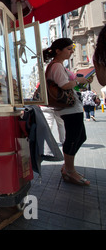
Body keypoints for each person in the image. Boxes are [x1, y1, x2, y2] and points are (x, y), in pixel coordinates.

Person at [43, 38, 91, 186]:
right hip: (68, 108)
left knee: (80, 136)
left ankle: (68, 167)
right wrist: (78, 82)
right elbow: (64, 85)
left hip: (70, 107)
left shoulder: (57, 66)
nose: (71, 51)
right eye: (69, 49)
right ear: (58, 51)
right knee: (73, 137)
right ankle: (69, 170)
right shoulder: (56, 66)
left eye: (72, 48)